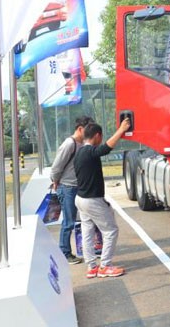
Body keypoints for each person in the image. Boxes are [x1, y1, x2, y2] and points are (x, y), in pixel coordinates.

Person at [74, 118, 131, 279]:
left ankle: (92, 267)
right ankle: (105, 266)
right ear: (97, 136)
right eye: (101, 137)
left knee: (87, 232)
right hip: (92, 200)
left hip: (81, 199)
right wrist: (121, 130)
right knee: (111, 230)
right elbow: (106, 148)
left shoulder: (79, 152)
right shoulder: (89, 151)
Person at [50, 115, 94, 265]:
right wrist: (55, 181)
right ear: (80, 129)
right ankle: (65, 252)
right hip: (67, 187)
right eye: (88, 130)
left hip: (79, 187)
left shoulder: (84, 144)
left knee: (83, 220)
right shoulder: (70, 144)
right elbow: (57, 166)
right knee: (68, 222)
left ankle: (86, 249)